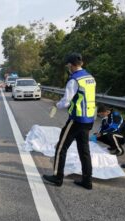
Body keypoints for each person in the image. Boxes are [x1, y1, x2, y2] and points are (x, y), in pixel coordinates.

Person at [43, 53, 96, 190]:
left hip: (76, 119)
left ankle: (57, 177)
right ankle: (87, 181)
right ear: (81, 63)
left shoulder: (74, 80)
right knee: (84, 150)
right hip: (89, 119)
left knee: (61, 147)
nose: (68, 68)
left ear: (70, 65)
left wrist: (56, 105)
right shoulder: (90, 78)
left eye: (68, 65)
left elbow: (66, 101)